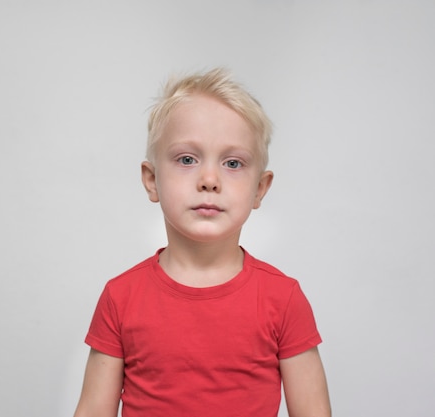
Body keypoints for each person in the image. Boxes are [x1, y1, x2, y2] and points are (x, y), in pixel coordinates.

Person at [73, 68, 331, 417]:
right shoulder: (120, 298)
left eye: (233, 163)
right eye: (187, 159)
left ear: (259, 189)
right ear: (151, 180)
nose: (209, 179)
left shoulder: (284, 300)